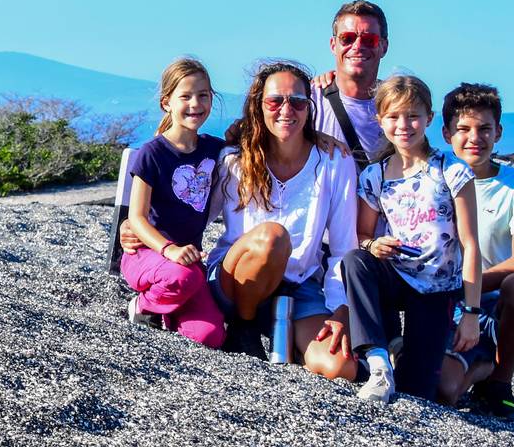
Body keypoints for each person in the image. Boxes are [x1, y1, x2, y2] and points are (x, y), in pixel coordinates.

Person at [203, 61, 360, 371]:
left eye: (297, 101)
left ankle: (289, 339)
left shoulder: (334, 161)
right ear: (258, 106)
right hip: (236, 280)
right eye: (275, 101)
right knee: (272, 237)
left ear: (309, 107)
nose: (286, 110)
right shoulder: (234, 159)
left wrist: (341, 310)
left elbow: (343, 247)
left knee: (338, 368)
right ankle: (244, 329)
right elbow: (197, 217)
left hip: (298, 286)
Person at [342, 75, 483, 405]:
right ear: (380, 120)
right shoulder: (374, 176)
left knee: (415, 392)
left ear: (429, 119)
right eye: (393, 116)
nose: (403, 125)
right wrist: (372, 245)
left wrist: (472, 313)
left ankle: (403, 351)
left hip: (437, 288)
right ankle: (378, 361)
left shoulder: (452, 170)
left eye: (412, 116)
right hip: (396, 277)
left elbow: (471, 243)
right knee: (356, 261)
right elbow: (362, 236)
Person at [436, 84, 514, 418]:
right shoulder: (434, 176)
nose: (475, 138)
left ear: (498, 132)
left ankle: (500, 381)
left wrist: (471, 286)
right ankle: (480, 365)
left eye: (484, 129)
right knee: (443, 390)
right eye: (464, 129)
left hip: (496, 299)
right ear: (446, 133)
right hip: (447, 301)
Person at [119, 57, 228, 349]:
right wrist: (169, 249)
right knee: (184, 278)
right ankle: (144, 306)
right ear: (167, 102)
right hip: (146, 254)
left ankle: (167, 312)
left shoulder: (213, 148)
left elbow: (251, 141)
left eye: (203, 95)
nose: (195, 103)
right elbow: (137, 218)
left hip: (188, 262)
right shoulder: (152, 154)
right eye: (186, 96)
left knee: (210, 337)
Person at [312, 0, 391, 169]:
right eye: (347, 38)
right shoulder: (306, 101)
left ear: (384, 47)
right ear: (334, 45)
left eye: (369, 39)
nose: (357, 46)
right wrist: (310, 136)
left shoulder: (397, 105)